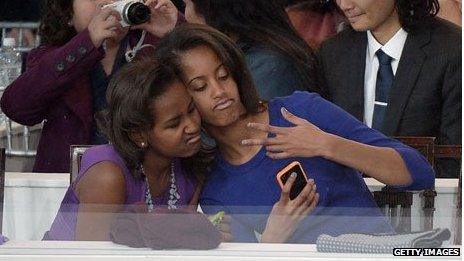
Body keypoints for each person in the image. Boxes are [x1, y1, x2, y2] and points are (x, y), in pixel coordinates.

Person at [154, 24, 435, 243]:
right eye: (200, 86)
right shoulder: (216, 188)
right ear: (183, 99)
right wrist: (275, 235)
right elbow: (247, 255)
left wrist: (326, 145)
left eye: (224, 75)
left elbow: (419, 173)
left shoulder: (302, 109)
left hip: (376, 252)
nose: (219, 91)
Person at [43, 58, 218, 241]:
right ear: (139, 135)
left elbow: (182, 244)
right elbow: (93, 257)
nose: (192, 126)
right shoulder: (108, 176)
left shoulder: (191, 165)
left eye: (191, 110)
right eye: (174, 124)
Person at [0, 0, 179, 173]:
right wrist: (87, 42)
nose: (106, 4)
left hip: (142, 185)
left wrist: (176, 31)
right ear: (67, 13)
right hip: (69, 188)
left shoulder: (153, 50)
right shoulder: (54, 58)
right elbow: (16, 107)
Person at [318, 0, 461, 177]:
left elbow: (453, 161)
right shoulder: (333, 52)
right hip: (350, 199)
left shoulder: (452, 49)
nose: (345, 5)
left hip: (427, 198)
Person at [181, 0, 322, 100]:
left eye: (186, 5)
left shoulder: (268, 66)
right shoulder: (266, 49)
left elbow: (256, 134)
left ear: (211, 11)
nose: (186, 16)